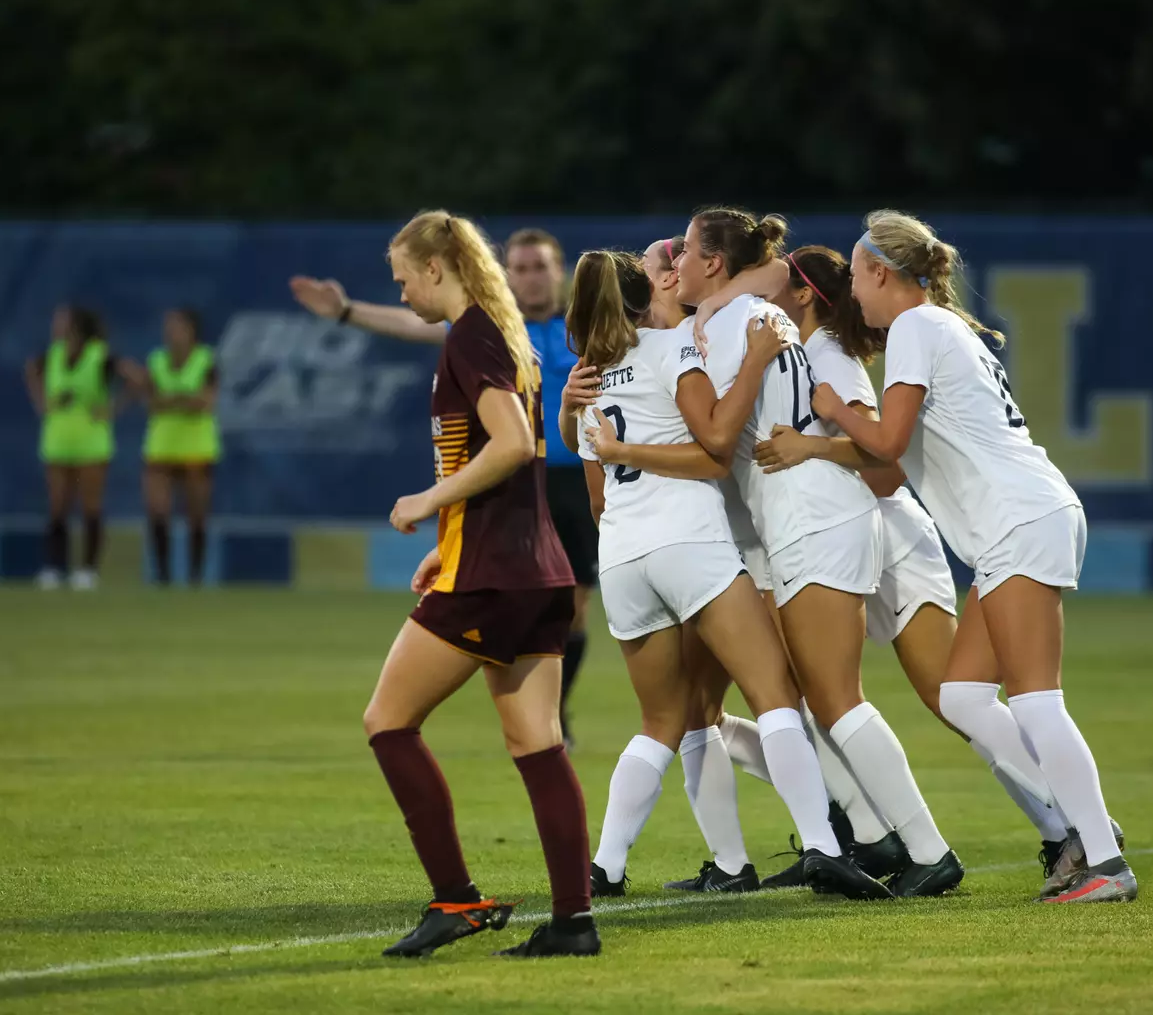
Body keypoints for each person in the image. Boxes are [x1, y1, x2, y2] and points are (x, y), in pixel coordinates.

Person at [815, 209, 1138, 904]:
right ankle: (1087, 821)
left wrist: (836, 411)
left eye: (856, 272)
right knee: (962, 697)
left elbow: (890, 441)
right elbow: (894, 464)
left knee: (1036, 700)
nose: (852, 289)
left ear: (880, 271)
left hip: (1020, 520)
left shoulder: (915, 327)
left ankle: (1105, 861)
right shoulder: (937, 326)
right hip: (1014, 526)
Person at [564, 246, 889, 901]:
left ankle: (606, 866)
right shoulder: (671, 349)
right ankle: (826, 848)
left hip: (623, 557)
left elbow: (597, 500)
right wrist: (760, 362)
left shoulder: (585, 383)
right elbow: (716, 449)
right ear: (642, 293)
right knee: (773, 695)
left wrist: (610, 443)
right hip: (691, 543)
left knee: (664, 721)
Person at [664, 207, 963, 898]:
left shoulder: (732, 323)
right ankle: (885, 837)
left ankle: (926, 847)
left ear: (713, 263)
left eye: (685, 251)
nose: (675, 263)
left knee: (838, 701)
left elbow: (715, 440)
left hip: (815, 515)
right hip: (807, 517)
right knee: (820, 700)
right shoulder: (745, 312)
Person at [361, 209, 597, 959]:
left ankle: (456, 900)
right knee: (538, 744)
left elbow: (515, 445)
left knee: (387, 723)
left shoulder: (471, 335)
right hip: (534, 569)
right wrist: (447, 542)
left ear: (437, 267)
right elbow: (512, 460)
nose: (401, 292)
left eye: (404, 278)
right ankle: (573, 924)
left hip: (493, 578)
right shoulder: (505, 334)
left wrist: (428, 504)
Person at [292, 228, 596, 744]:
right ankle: (547, 720)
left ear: (559, 271)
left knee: (574, 604)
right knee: (536, 599)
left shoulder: (586, 328)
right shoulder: (497, 328)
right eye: (520, 267)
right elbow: (416, 324)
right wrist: (346, 312)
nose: (530, 276)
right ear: (508, 274)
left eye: (540, 266)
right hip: (517, 484)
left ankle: (552, 708)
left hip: (581, 479)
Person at [25, 306, 124, 591]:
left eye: (61, 319)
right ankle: (54, 568)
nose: (55, 324)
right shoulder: (52, 356)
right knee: (57, 506)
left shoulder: (98, 355)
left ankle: (88, 569)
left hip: (91, 442)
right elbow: (30, 371)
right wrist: (41, 402)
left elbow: (135, 378)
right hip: (57, 440)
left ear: (76, 325)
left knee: (90, 506)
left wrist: (113, 408)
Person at [133, 308, 220, 585]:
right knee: (157, 511)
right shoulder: (155, 360)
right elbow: (149, 403)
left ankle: (195, 577)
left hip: (197, 447)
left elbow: (204, 403)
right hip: (160, 446)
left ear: (192, 330)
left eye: (177, 326)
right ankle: (163, 576)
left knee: (196, 514)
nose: (170, 331)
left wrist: (169, 400)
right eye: (168, 326)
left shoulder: (206, 360)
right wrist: (183, 399)